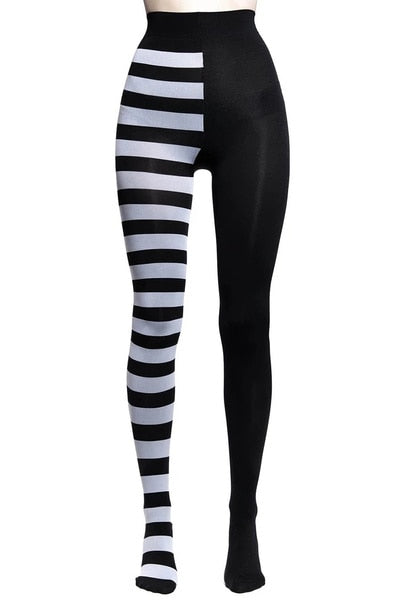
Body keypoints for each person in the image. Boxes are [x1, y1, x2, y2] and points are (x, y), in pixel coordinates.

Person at [114, 0, 290, 593]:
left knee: (246, 318)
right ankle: (157, 526)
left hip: (248, 93)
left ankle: (244, 518)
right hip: (155, 96)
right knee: (156, 315)